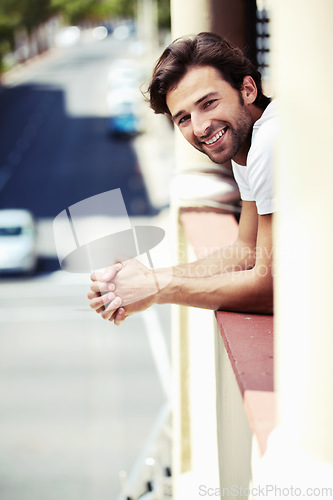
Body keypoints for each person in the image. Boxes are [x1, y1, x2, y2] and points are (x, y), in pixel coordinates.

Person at [87, 32, 278, 326]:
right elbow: (247, 250)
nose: (200, 127)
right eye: (184, 118)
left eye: (209, 103)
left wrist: (156, 289)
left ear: (248, 89)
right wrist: (149, 278)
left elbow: (270, 291)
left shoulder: (269, 141)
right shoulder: (248, 143)